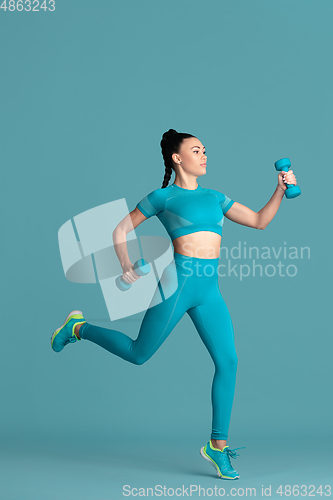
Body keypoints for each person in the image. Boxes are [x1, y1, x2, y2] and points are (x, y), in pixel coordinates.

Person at [50, 129, 297, 480]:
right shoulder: (163, 197)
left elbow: (259, 221)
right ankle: (78, 327)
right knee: (138, 354)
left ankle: (217, 446)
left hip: (209, 289)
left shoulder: (216, 197)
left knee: (228, 361)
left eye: (206, 150)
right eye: (197, 150)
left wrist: (280, 190)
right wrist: (125, 264)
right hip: (177, 284)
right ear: (177, 158)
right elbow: (120, 230)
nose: (204, 155)